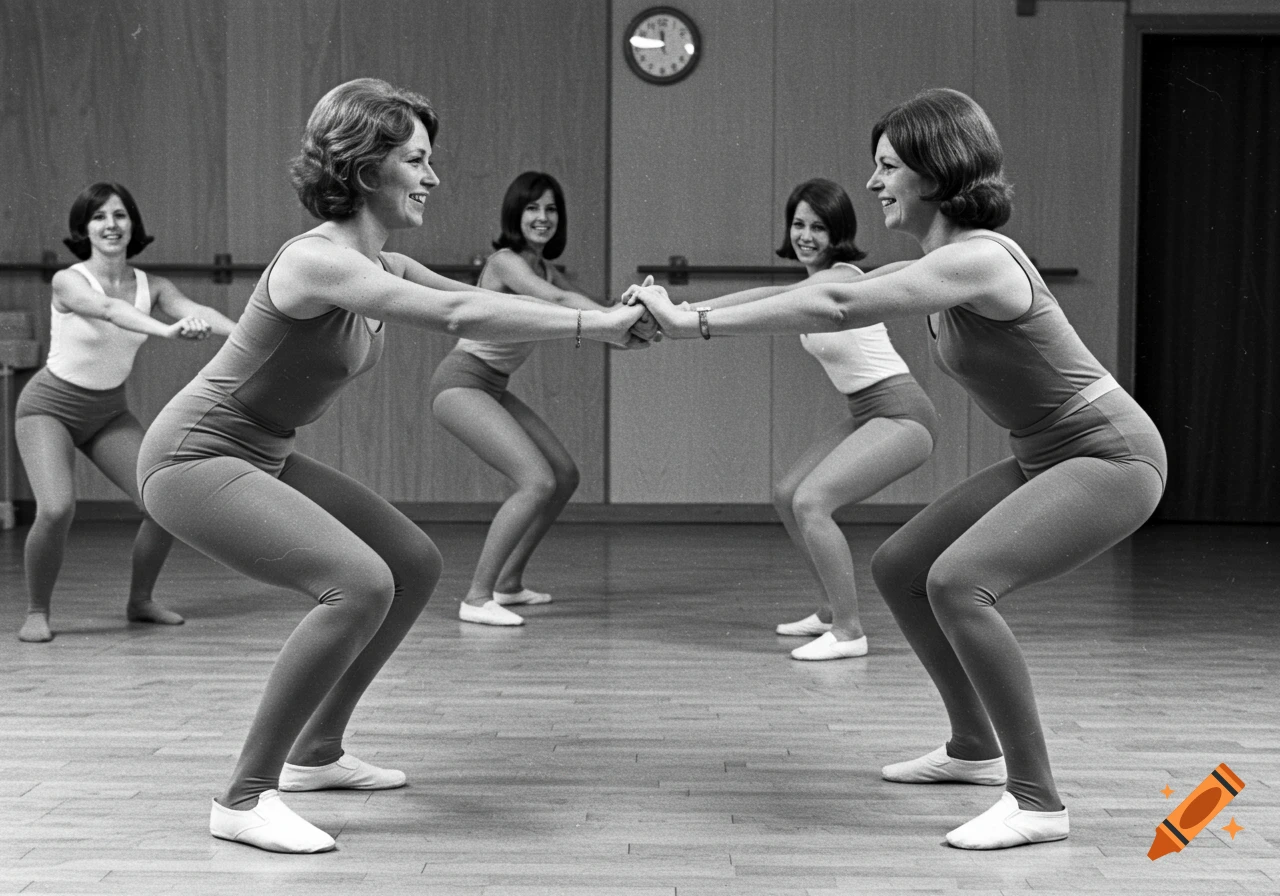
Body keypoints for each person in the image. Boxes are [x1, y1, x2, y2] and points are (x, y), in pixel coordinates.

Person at [627, 88, 1166, 849]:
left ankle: (1039, 800)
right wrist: (686, 314)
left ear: (934, 171)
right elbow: (825, 291)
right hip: (1045, 453)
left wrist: (698, 324)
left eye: (887, 167)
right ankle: (974, 747)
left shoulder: (977, 259)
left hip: (1111, 454)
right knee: (903, 564)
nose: (875, 184)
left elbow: (840, 305)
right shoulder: (937, 262)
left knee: (957, 582)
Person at [136, 79, 648, 854]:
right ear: (367, 168)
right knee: (359, 583)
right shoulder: (318, 261)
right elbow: (456, 316)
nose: (434, 177)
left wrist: (607, 324)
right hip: (193, 456)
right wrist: (595, 324)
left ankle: (316, 753)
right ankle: (242, 797)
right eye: (418, 160)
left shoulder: (387, 261)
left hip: (261, 452)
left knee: (411, 561)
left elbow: (475, 302)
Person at [691, 178, 938, 659]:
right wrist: (683, 310)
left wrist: (689, 313)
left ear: (837, 233)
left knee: (812, 502)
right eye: (799, 224)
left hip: (904, 416)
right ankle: (829, 608)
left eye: (818, 227)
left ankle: (849, 631)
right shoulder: (812, 284)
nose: (805, 235)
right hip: (867, 412)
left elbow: (762, 298)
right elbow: (770, 296)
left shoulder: (840, 277)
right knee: (788, 494)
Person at [15, 182, 236, 643]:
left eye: (119, 215)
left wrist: (243, 336)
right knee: (56, 509)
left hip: (107, 412)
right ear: (84, 229)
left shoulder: (152, 286)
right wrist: (168, 332)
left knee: (162, 502)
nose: (111, 225)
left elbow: (197, 308)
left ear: (133, 224)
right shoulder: (69, 280)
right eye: (99, 217)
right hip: (47, 408)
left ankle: (140, 601)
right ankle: (37, 610)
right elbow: (108, 310)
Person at [430, 172, 613, 627]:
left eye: (551, 209)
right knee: (536, 481)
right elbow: (557, 299)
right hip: (461, 383)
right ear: (516, 213)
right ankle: (476, 597)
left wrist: (625, 317)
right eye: (533, 208)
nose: (543, 218)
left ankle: (508, 584)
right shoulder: (506, 262)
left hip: (492, 384)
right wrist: (615, 318)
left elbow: (568, 301)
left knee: (564, 475)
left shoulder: (545, 269)